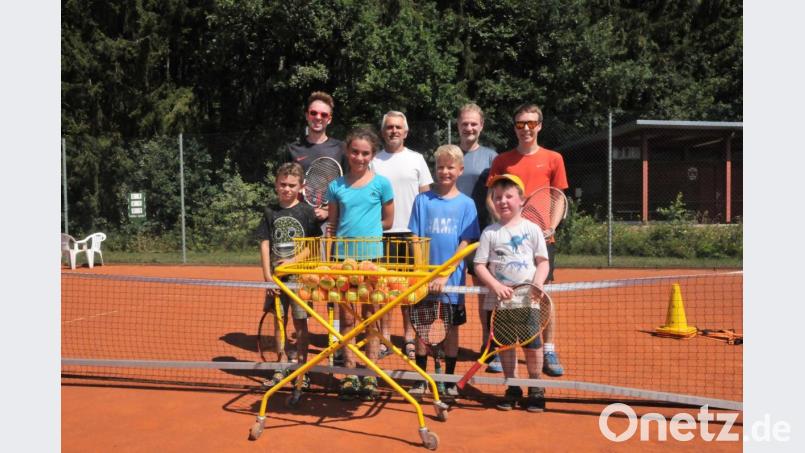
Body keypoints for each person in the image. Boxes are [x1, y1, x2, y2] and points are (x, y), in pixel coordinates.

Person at [486, 103, 569, 377]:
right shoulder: (502, 160)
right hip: (510, 240)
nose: (526, 129)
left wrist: (552, 226)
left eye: (531, 123)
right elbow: (492, 196)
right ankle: (501, 347)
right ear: (515, 128)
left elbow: (557, 196)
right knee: (507, 294)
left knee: (542, 294)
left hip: (542, 238)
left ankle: (548, 349)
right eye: (521, 124)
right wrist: (503, 224)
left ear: (540, 126)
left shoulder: (554, 158)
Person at [325, 126, 395, 401]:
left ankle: (371, 373)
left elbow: (388, 221)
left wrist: (366, 234)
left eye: (365, 153)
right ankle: (351, 374)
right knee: (347, 316)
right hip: (344, 259)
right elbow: (333, 223)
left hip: (373, 257)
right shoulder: (336, 186)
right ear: (347, 151)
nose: (359, 157)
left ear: (373, 155)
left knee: (372, 314)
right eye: (354, 151)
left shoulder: (382, 184)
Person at [407, 144, 480, 400]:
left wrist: (444, 276)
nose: (444, 172)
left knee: (451, 330)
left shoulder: (467, 204)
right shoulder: (422, 200)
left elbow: (464, 243)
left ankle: (448, 380)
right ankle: (421, 379)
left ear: (460, 170)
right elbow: (416, 238)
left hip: (452, 282)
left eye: (450, 167)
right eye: (440, 167)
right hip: (424, 280)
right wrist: (422, 275)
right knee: (422, 328)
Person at [474, 174, 549, 412]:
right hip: (500, 303)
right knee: (505, 345)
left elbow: (543, 262)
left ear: (522, 200)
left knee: (532, 344)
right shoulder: (490, 233)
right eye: (497, 197)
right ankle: (513, 386)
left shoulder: (533, 229)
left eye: (509, 196)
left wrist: (537, 282)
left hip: (528, 300)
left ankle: (535, 388)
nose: (503, 201)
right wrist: (495, 286)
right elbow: (479, 266)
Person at [371, 111, 434, 361]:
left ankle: (408, 337)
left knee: (410, 291)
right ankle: (385, 336)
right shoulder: (374, 161)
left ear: (406, 132)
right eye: (389, 127)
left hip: (412, 235)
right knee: (384, 290)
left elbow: (426, 197)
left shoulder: (417, 159)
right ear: (383, 131)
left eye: (398, 127)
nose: (394, 131)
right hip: (381, 234)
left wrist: (424, 231)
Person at [257, 162, 320, 390]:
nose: (286, 189)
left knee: (301, 324)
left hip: (300, 280)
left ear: (301, 187)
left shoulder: (306, 211)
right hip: (277, 281)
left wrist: (292, 263)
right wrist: (268, 277)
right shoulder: (270, 211)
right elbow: (265, 243)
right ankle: (280, 366)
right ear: (276, 185)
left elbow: (314, 246)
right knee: (278, 322)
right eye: (282, 184)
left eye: (292, 185)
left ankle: (303, 368)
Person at [454, 102, 502, 374]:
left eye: (474, 123)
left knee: (485, 293)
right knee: (449, 290)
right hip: (450, 234)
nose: (469, 128)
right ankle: (446, 343)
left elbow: (497, 196)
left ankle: (489, 346)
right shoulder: (448, 154)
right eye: (465, 123)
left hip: (481, 233)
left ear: (481, 126)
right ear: (458, 124)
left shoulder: (491, 157)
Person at [284, 91, 345, 222]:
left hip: (330, 224)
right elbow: (285, 186)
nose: (318, 117)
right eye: (313, 113)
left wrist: (328, 210)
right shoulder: (292, 149)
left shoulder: (341, 148)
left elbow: (350, 188)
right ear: (307, 115)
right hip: (298, 220)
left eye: (324, 114)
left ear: (329, 119)